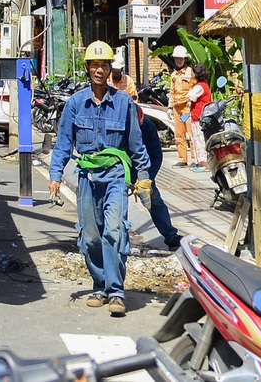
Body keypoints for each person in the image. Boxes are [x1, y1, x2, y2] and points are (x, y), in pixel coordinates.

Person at [48, 40, 153, 317]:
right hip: (87, 179)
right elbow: (63, 143)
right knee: (91, 238)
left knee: (114, 231)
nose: (99, 70)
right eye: (94, 65)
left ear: (110, 70)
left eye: (103, 65)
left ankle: (116, 292)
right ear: (87, 69)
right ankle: (101, 285)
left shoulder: (123, 103)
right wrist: (55, 175)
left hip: (116, 177)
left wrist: (143, 177)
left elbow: (136, 144)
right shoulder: (75, 103)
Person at [168, 46, 198, 168]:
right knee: (179, 135)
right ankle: (183, 159)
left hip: (187, 107)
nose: (178, 61)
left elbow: (196, 88)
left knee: (191, 134)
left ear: (185, 59)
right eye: (176, 58)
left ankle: (196, 159)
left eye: (180, 58)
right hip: (177, 108)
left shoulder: (190, 72)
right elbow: (172, 91)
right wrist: (170, 107)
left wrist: (192, 102)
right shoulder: (174, 75)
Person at [187, 62, 214, 169]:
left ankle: (204, 163)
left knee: (200, 140)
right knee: (197, 140)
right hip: (198, 117)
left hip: (199, 117)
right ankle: (200, 162)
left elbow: (190, 96)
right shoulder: (203, 85)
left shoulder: (199, 87)